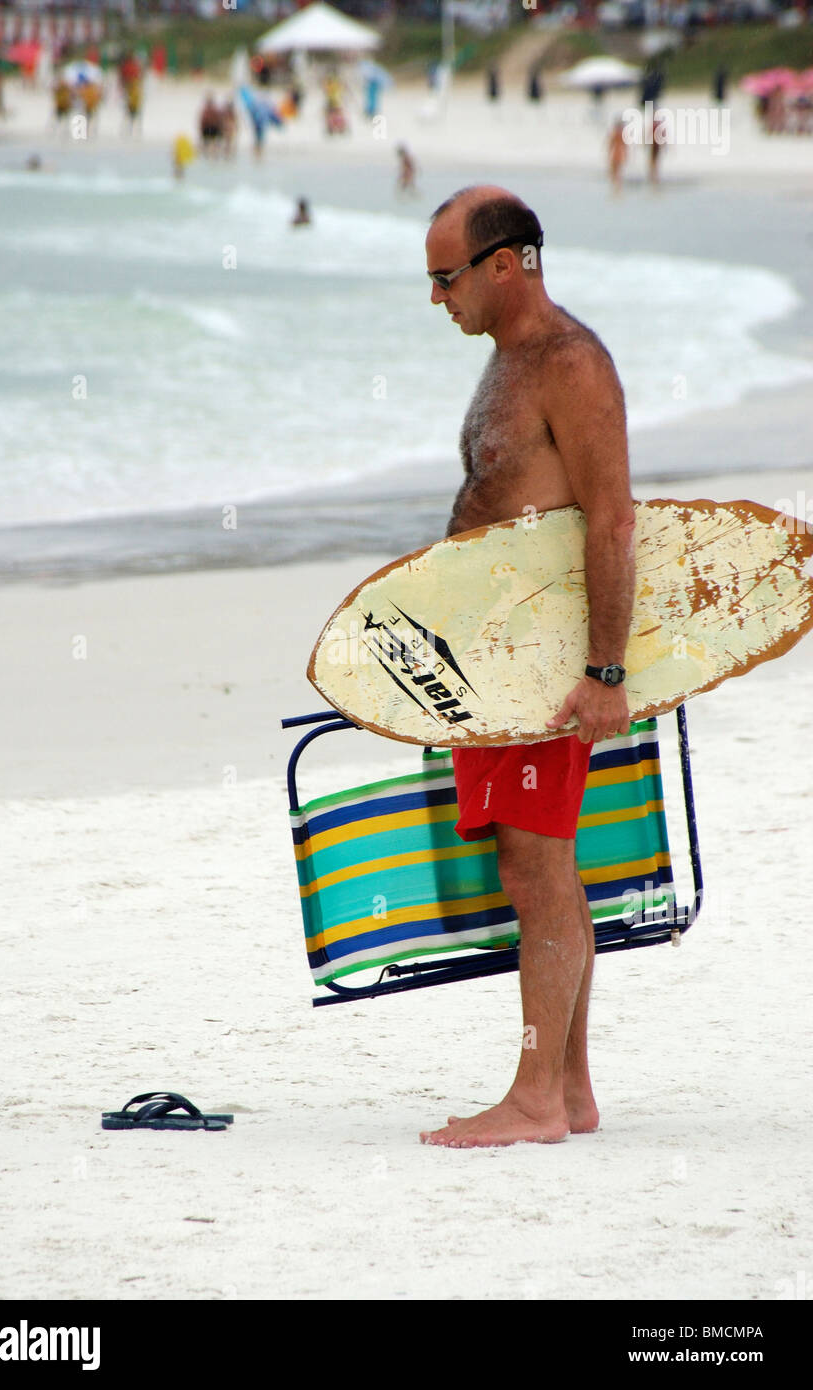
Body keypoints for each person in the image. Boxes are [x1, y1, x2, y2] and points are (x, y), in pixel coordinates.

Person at [419, 186, 635, 1148]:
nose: (436, 298)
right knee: (537, 866)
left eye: (446, 277)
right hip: (495, 668)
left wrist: (605, 671)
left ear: (505, 265)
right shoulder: (509, 361)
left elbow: (613, 517)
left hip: (548, 664)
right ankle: (572, 1088)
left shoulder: (570, 364)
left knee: (538, 866)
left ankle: (536, 1096)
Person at [607, 118, 628, 193]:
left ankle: (616, 187)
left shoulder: (616, 133)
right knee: (617, 170)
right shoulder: (622, 134)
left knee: (615, 170)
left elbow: (610, 144)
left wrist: (608, 154)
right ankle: (617, 187)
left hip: (616, 153)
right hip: (619, 153)